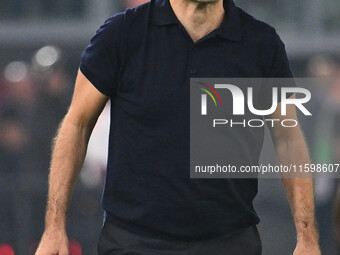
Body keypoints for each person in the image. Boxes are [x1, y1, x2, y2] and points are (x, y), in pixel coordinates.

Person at [35, 0, 321, 254]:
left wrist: (307, 239)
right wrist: (54, 228)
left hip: (230, 241)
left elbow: (287, 137)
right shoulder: (122, 34)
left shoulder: (261, 43)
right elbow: (77, 125)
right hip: (134, 241)